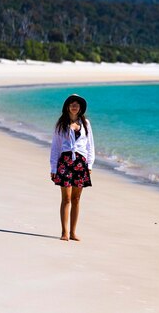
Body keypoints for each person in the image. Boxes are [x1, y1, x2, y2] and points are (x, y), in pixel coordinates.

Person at [49, 94, 95, 241]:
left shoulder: (86, 123)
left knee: (76, 198)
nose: (74, 106)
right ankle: (64, 232)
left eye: (77, 104)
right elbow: (55, 147)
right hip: (65, 162)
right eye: (72, 104)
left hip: (81, 162)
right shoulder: (61, 124)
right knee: (66, 198)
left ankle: (73, 232)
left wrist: (90, 164)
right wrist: (53, 168)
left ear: (80, 108)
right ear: (67, 106)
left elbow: (90, 145)